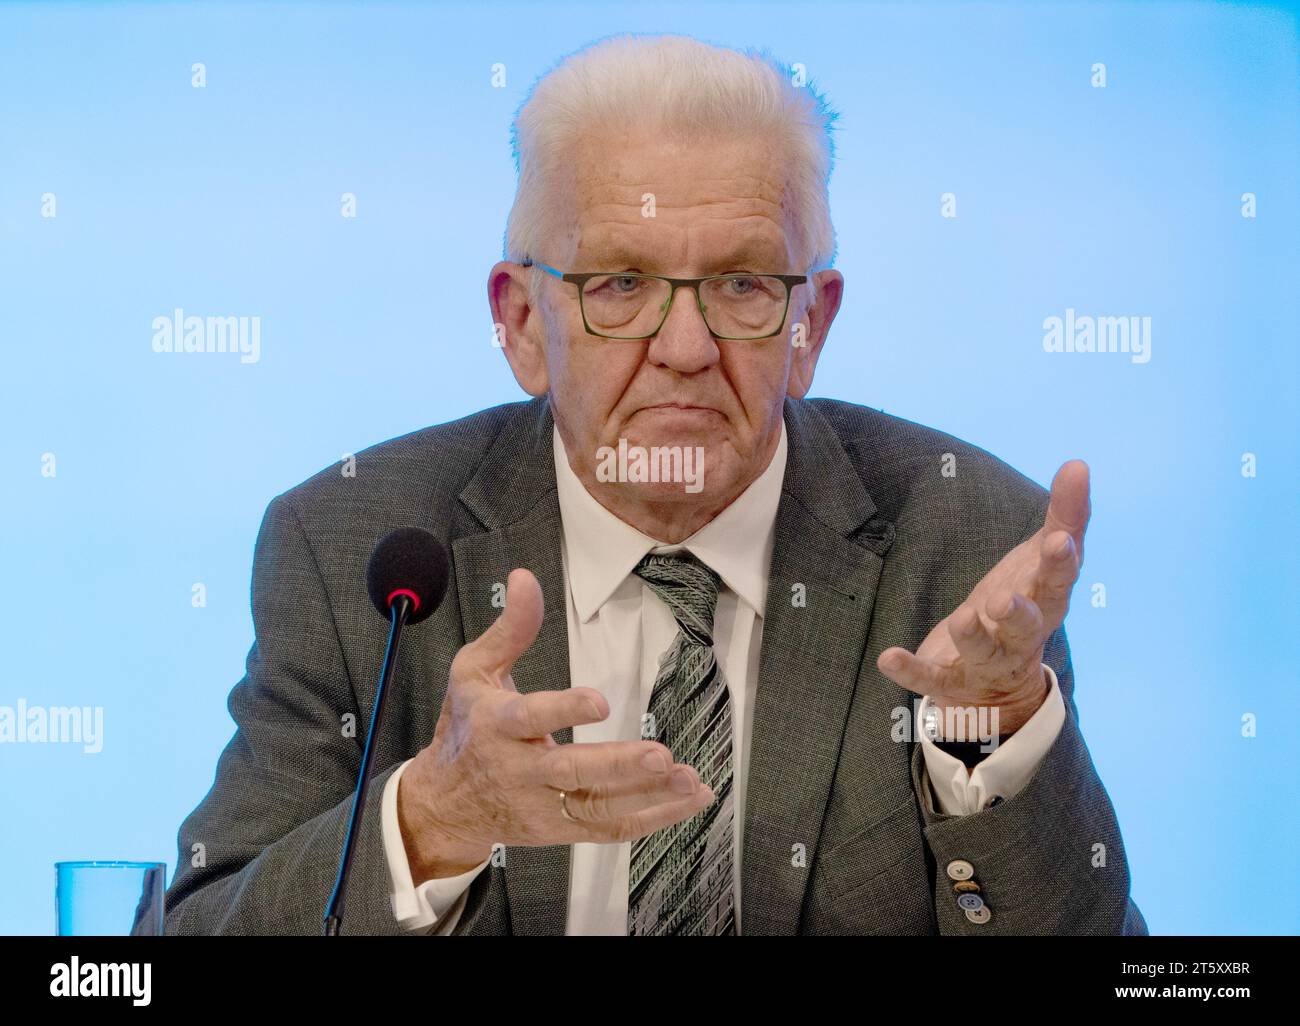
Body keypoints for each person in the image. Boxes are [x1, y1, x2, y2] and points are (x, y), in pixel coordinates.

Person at [163, 32, 1145, 936]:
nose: (685, 349)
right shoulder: (357, 547)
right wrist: (430, 821)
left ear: (811, 327)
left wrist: (991, 739)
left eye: (745, 285)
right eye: (619, 285)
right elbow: (187, 938)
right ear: (517, 323)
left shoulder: (966, 544)